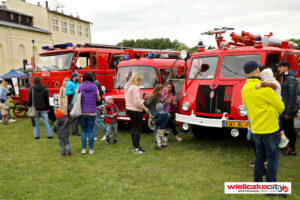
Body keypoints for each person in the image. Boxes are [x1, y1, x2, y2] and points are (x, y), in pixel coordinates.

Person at [241, 61, 285, 187]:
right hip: (270, 129)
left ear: (245, 73)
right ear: (257, 71)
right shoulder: (265, 88)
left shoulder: (244, 89)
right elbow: (281, 107)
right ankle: (270, 187)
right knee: (272, 158)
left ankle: (257, 182)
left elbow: (248, 106)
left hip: (256, 129)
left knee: (259, 157)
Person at [255, 68, 289, 149]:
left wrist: (261, 85)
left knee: (278, 121)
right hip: (274, 104)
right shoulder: (273, 81)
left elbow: (272, 86)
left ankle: (283, 137)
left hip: (275, 105)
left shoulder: (273, 83)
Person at [125, 73, 149, 154]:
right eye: (140, 81)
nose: (140, 83)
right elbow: (137, 102)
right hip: (135, 110)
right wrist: (144, 107)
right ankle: (137, 148)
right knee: (138, 129)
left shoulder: (128, 87)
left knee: (134, 128)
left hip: (129, 109)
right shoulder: (135, 88)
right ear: (138, 80)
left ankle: (135, 146)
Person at [277, 60, 298, 156]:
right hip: (285, 108)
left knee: (290, 129)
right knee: (286, 128)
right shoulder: (284, 77)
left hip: (288, 109)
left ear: (286, 67)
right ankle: (288, 148)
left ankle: (292, 149)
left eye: (280, 67)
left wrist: (288, 112)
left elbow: (292, 96)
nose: (278, 69)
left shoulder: (290, 79)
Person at [78, 72, 100, 155]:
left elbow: (76, 97)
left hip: (82, 111)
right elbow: (98, 99)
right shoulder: (95, 87)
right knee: (91, 131)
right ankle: (91, 149)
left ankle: (83, 149)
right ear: (92, 78)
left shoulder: (80, 86)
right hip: (92, 111)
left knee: (83, 130)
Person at [90, 71, 107, 141]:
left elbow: (95, 94)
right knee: (94, 120)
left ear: (92, 77)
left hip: (96, 104)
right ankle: (94, 136)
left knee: (97, 120)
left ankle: (107, 133)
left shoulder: (95, 83)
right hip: (95, 104)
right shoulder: (94, 82)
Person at [65, 72, 80, 137]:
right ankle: (76, 132)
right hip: (71, 103)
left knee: (75, 117)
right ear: (74, 77)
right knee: (75, 116)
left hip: (76, 102)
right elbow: (66, 93)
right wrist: (73, 91)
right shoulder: (69, 84)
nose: (78, 77)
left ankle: (73, 132)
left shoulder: (77, 83)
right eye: (77, 76)